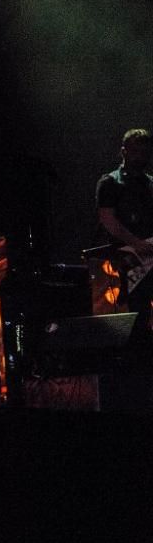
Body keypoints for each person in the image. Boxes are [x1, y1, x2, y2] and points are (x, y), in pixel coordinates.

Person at [96, 127, 153, 408]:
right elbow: (108, 219)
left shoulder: (151, 184)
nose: (141, 155)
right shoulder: (110, 183)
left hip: (150, 257)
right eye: (136, 149)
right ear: (124, 151)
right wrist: (135, 243)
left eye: (145, 150)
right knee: (132, 316)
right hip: (124, 261)